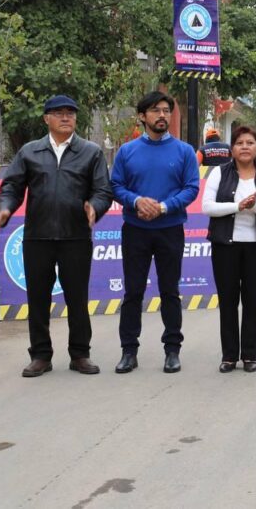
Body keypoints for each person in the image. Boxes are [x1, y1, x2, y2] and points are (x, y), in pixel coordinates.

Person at [0, 95, 113, 377]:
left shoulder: (91, 152)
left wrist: (94, 208)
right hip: (38, 237)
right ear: (46, 118)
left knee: (76, 298)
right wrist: (5, 208)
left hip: (75, 237)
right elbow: (11, 186)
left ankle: (80, 354)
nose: (65, 118)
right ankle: (40, 356)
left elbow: (102, 191)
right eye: (58, 113)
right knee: (38, 299)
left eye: (70, 113)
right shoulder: (29, 152)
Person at [110, 91, 200, 374]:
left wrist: (162, 207)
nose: (162, 115)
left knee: (170, 292)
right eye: (155, 110)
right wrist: (137, 201)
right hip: (135, 230)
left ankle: (172, 350)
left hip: (170, 229)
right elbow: (116, 186)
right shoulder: (127, 151)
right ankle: (129, 351)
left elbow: (191, 188)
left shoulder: (184, 151)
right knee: (133, 292)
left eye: (166, 110)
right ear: (142, 116)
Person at [202, 125, 256, 373]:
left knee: (252, 300)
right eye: (239, 143)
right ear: (232, 149)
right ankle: (228, 356)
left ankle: (249, 355)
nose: (244, 147)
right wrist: (238, 206)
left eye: (249, 142)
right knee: (227, 300)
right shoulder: (218, 173)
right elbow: (208, 207)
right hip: (225, 245)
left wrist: (255, 206)